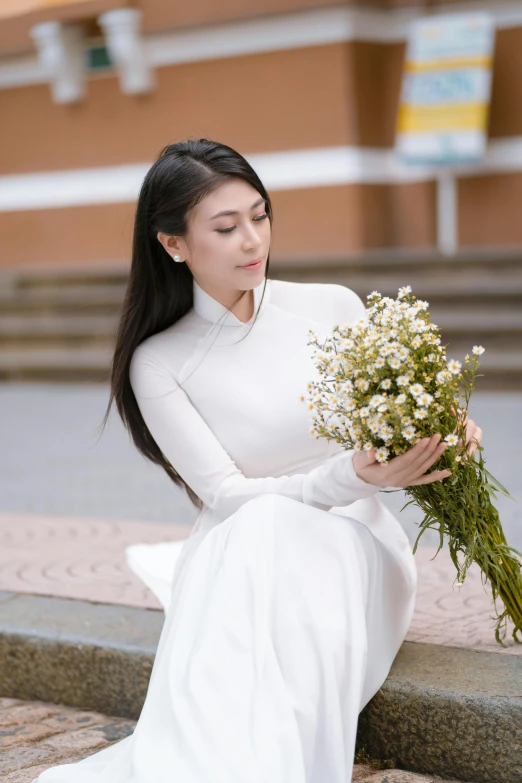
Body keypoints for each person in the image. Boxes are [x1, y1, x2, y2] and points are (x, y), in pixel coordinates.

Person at [35, 138, 482, 783]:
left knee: (273, 529)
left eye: (260, 215)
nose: (253, 240)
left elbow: (410, 418)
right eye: (226, 226)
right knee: (263, 523)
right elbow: (226, 495)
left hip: (354, 546)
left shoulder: (331, 306)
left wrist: (446, 431)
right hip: (241, 550)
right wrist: (348, 474)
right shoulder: (158, 361)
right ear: (173, 244)